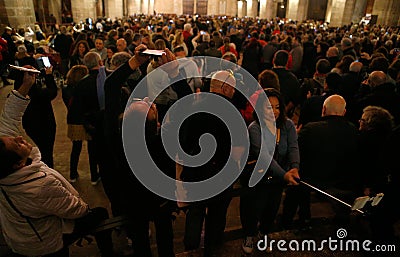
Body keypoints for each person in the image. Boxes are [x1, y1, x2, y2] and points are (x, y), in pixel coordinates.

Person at [0, 66, 113, 257]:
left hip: (21, 237)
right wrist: (84, 207)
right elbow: (75, 210)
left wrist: (26, 85)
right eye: (17, 145)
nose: (20, 139)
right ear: (19, 164)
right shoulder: (39, 185)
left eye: (14, 138)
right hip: (45, 243)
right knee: (99, 214)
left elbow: (9, 120)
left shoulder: (5, 166)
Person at [104, 46, 191, 257]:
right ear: (158, 124)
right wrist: (174, 72)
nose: (144, 100)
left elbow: (111, 85)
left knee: (141, 241)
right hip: (160, 197)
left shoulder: (119, 139)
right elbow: (188, 105)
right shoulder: (165, 141)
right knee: (164, 236)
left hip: (133, 201)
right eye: (148, 105)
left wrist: (134, 62)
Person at [240, 88, 300, 254]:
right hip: (257, 178)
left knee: (272, 209)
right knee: (253, 209)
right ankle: (249, 235)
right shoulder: (254, 128)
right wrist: (285, 174)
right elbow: (264, 156)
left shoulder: (287, 125)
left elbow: (293, 147)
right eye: (269, 107)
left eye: (277, 107)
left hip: (277, 179)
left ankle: (264, 233)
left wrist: (294, 166)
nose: (274, 111)